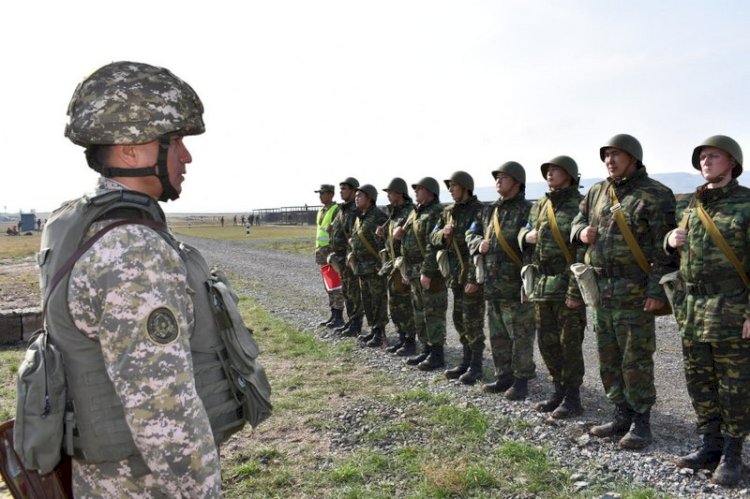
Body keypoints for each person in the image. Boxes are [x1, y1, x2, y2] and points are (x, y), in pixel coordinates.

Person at [43, 61, 252, 496]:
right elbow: (162, 410)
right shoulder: (133, 250)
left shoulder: (78, 224)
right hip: (144, 482)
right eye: (174, 141)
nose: (186, 156)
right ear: (131, 151)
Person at [571, 133, 676, 450]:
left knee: (636, 359)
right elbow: (577, 219)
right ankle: (620, 414)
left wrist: (656, 290)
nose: (610, 161)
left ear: (634, 158)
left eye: (617, 154)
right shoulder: (596, 191)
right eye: (606, 155)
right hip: (601, 290)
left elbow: (665, 251)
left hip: (634, 290)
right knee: (608, 356)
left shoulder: (656, 194)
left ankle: (642, 423)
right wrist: (581, 232)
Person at [667, 135, 750, 486]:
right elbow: (678, 251)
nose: (706, 161)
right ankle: (709, 446)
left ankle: (733, 454)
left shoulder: (746, 204)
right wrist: (670, 240)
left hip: (732, 308)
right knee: (699, 381)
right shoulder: (689, 205)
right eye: (702, 157)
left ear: (732, 162)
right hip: (693, 309)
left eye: (714, 156)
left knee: (735, 385)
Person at [519, 156, 586, 418]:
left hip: (566, 283)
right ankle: (558, 390)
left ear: (569, 174)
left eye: (555, 170)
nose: (550, 174)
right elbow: (525, 235)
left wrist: (575, 290)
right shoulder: (540, 206)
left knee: (569, 344)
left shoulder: (579, 206)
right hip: (543, 284)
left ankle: (573, 397)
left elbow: (583, 251)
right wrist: (526, 236)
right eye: (547, 171)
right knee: (547, 343)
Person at [466, 162, 534, 399]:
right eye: (496, 177)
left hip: (516, 286)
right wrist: (477, 244)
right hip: (493, 285)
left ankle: (521, 380)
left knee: (521, 336)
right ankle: (503, 376)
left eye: (503, 177)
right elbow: (471, 233)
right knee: (498, 335)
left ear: (517, 182)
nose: (498, 181)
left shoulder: (529, 210)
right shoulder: (488, 211)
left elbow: (532, 241)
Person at [430, 171, 486, 385]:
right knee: (460, 319)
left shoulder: (479, 211)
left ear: (465, 187)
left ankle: (477, 365)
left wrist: (473, 278)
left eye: (454, 185)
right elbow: (432, 238)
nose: (451, 189)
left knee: (474, 321)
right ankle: (466, 361)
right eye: (449, 186)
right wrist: (442, 233)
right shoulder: (448, 212)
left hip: (472, 276)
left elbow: (480, 247)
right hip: (455, 276)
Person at [397, 177, 447, 370]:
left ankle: (437, 354)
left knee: (433, 313)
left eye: (420, 189)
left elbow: (433, 245)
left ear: (431, 192)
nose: (416, 191)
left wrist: (427, 271)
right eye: (415, 189)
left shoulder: (436, 212)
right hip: (414, 270)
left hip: (430, 272)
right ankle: (426, 349)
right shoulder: (416, 212)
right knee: (419, 312)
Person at [377, 178, 416, 355]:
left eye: (390, 192)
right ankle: (401, 338)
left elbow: (413, 239)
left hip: (404, 265)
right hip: (393, 264)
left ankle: (410, 342)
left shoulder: (409, 212)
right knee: (395, 304)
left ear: (400, 193)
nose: (388, 195)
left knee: (405, 305)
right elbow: (391, 241)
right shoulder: (394, 214)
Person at [350, 184, 389, 346]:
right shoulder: (360, 217)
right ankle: (373, 329)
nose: (356, 198)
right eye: (356, 195)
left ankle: (380, 333)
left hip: (374, 267)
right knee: (367, 301)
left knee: (378, 300)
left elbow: (384, 242)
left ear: (370, 198)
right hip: (361, 267)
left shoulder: (378, 216)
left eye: (360, 195)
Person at [329, 177, 363, 336]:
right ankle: (351, 321)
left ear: (354, 191)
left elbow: (355, 236)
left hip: (349, 258)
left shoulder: (355, 211)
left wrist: (351, 257)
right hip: (340, 258)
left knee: (353, 292)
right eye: (340, 188)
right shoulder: (341, 210)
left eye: (345, 189)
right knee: (346, 291)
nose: (341, 191)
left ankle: (356, 324)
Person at [314, 183, 345, 329]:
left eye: (323, 193)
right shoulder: (321, 211)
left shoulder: (336, 209)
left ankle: (339, 316)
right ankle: (333, 314)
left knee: (336, 286)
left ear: (331, 194)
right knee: (328, 286)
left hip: (331, 254)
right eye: (319, 193)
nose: (320, 196)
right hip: (322, 253)